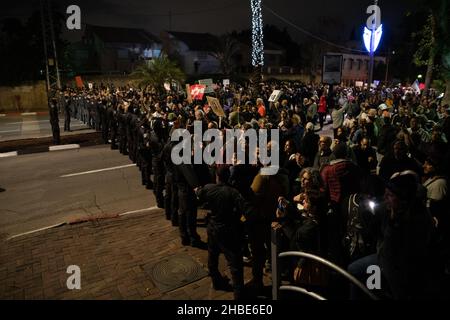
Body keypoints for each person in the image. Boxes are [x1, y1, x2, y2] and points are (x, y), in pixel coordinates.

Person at [195, 166, 253, 300]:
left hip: (213, 227)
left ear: (217, 177)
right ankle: (239, 294)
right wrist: (241, 221)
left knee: (213, 256)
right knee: (235, 263)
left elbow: (199, 194)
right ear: (229, 177)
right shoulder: (232, 192)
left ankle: (216, 281)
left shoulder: (209, 188)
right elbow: (247, 211)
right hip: (228, 230)